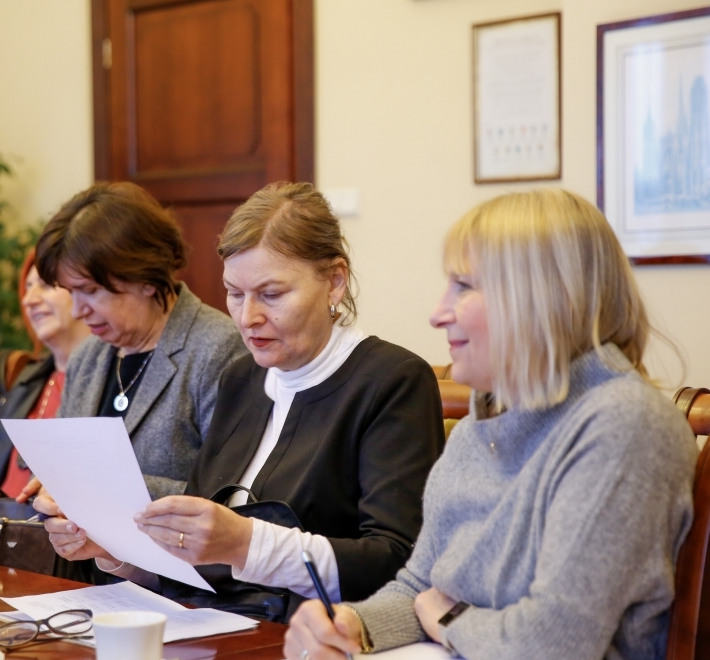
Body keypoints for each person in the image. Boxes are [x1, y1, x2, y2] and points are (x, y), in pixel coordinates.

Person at [284, 189, 710, 660]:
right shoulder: (479, 427)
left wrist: (449, 618)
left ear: (544, 299)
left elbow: (553, 647)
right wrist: (350, 625)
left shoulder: (625, 425)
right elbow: (421, 588)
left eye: (464, 286)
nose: (437, 314)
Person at [38, 182, 445, 620]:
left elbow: (397, 562)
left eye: (271, 294)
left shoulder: (391, 381)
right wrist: (115, 549)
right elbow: (198, 569)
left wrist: (244, 543)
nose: (248, 317)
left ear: (334, 282)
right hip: (207, 623)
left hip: (311, 632)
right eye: (235, 293)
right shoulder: (241, 378)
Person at [31, 181, 248, 502]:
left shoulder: (218, 349)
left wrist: (101, 487)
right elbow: (65, 470)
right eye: (71, 292)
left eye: (90, 291)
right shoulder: (87, 357)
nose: (78, 310)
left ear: (145, 277)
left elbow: (226, 494)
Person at [0, 251, 92, 558]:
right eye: (27, 288)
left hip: (49, 557)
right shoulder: (26, 382)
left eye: (45, 286)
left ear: (85, 292)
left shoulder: (109, 386)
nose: (28, 300)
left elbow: (84, 512)